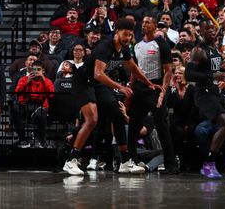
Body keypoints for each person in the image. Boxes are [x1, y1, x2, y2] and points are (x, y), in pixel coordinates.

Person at [62, 18, 158, 175]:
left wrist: (149, 83)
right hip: (83, 83)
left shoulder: (124, 48)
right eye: (125, 34)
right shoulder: (105, 47)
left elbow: (134, 68)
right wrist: (120, 86)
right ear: (117, 32)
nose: (128, 38)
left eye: (130, 35)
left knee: (118, 116)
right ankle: (71, 160)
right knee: (92, 120)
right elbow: (98, 74)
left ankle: (125, 162)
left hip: (96, 84)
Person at [127, 15, 178, 173]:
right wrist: (130, 89)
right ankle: (130, 159)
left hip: (156, 86)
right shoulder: (137, 45)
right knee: (134, 125)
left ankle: (171, 164)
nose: (144, 25)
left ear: (155, 26)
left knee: (162, 125)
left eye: (148, 22)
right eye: (143, 23)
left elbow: (168, 71)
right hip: (139, 88)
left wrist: (163, 92)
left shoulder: (161, 43)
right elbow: (134, 71)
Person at [185, 46, 225, 178]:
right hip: (204, 94)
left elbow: (217, 70)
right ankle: (208, 165)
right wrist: (213, 75)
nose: (212, 30)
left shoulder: (215, 51)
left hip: (215, 92)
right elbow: (188, 75)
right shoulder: (199, 50)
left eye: (213, 28)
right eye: (209, 28)